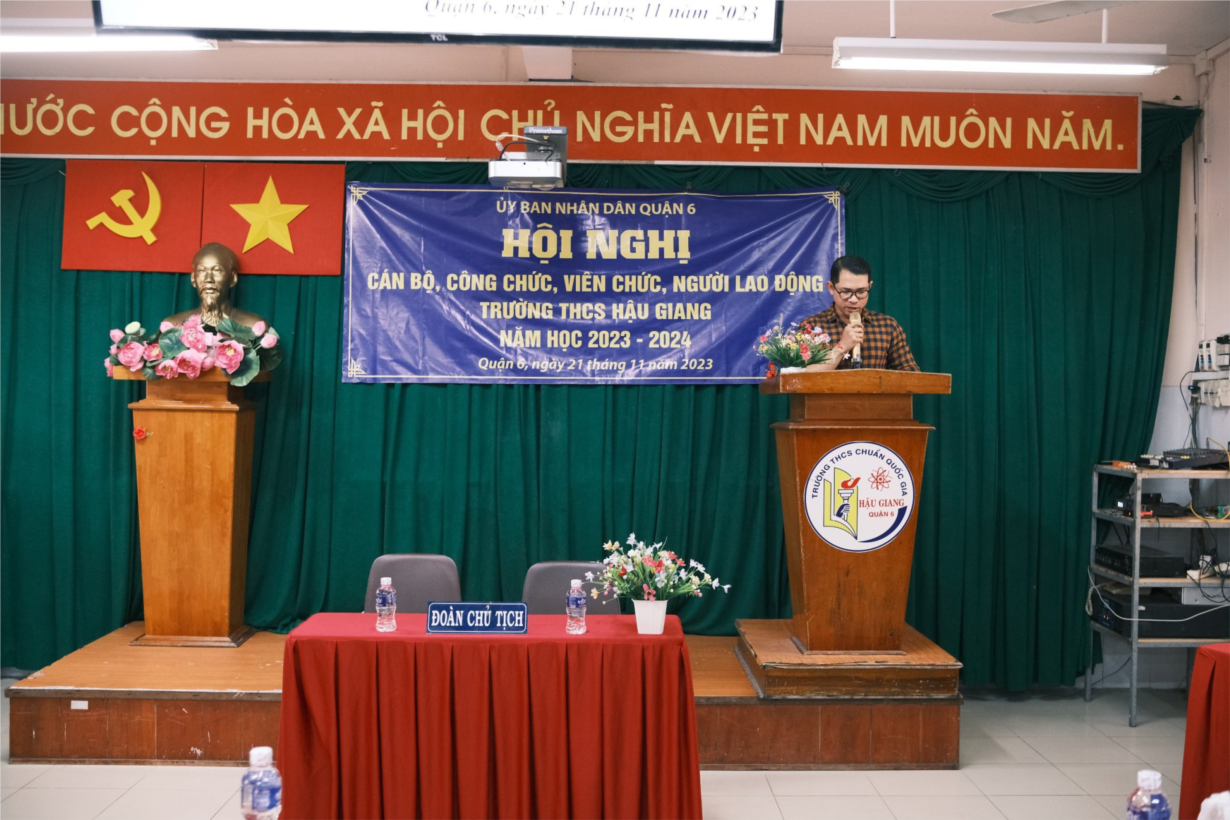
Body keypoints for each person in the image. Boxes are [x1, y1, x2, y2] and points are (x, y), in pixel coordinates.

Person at [801, 255, 919, 372]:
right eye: (846, 291)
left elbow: (911, 375)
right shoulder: (811, 327)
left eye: (861, 291)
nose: (854, 299)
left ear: (869, 286)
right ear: (831, 287)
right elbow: (801, 376)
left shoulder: (888, 326)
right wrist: (842, 346)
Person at [164, 243, 265, 329]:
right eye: (202, 270)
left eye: (217, 270)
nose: (209, 279)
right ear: (193, 278)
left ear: (233, 278)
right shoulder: (173, 326)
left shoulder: (253, 326)